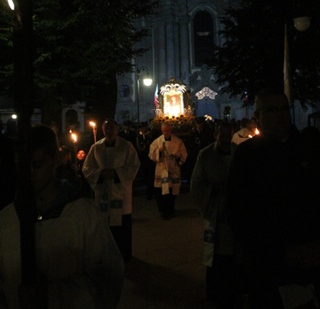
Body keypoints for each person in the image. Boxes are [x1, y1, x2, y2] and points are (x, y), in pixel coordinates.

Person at [228, 88, 320, 309]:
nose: (280, 115)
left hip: (317, 261)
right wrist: (279, 251)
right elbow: (239, 211)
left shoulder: (314, 149)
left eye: (284, 108)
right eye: (271, 110)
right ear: (257, 117)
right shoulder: (246, 156)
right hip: (271, 266)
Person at [0, 124, 124, 309]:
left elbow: (108, 278)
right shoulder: (6, 219)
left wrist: (51, 295)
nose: (29, 175)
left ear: (55, 160)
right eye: (22, 167)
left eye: (36, 165)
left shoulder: (83, 215)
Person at [190, 122, 236, 309]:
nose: (225, 139)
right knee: (215, 256)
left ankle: (233, 291)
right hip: (215, 210)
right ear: (216, 135)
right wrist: (214, 190)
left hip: (234, 212)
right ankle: (215, 293)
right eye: (222, 136)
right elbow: (196, 184)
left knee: (233, 254)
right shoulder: (205, 154)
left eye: (228, 136)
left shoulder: (238, 151)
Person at [82, 118, 140, 261]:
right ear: (103, 130)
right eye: (106, 129)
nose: (109, 131)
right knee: (104, 225)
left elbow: (134, 166)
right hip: (103, 193)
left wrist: (116, 173)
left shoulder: (127, 146)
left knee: (122, 226)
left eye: (112, 128)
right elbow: (87, 168)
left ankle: (124, 255)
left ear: (117, 129)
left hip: (121, 191)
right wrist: (100, 174)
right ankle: (106, 256)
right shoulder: (96, 147)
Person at [148, 121, 188, 219]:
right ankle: (162, 210)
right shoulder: (157, 141)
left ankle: (171, 209)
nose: (166, 132)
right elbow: (151, 154)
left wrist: (177, 156)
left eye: (168, 130)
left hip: (172, 168)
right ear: (162, 131)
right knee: (160, 191)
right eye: (164, 130)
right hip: (162, 168)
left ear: (171, 130)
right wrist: (159, 152)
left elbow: (184, 154)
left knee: (171, 190)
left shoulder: (178, 141)